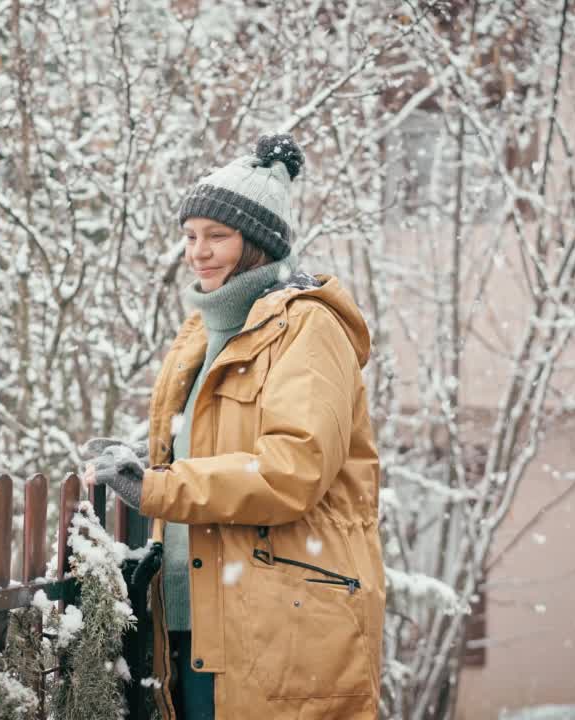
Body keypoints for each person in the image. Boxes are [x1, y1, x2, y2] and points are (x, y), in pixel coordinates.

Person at [81, 134, 384, 720]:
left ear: (259, 244)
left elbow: (292, 471)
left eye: (218, 236)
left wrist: (157, 487)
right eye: (190, 236)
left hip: (281, 623)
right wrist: (139, 465)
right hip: (200, 621)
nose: (199, 251)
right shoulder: (199, 335)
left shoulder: (309, 329)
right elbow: (207, 447)